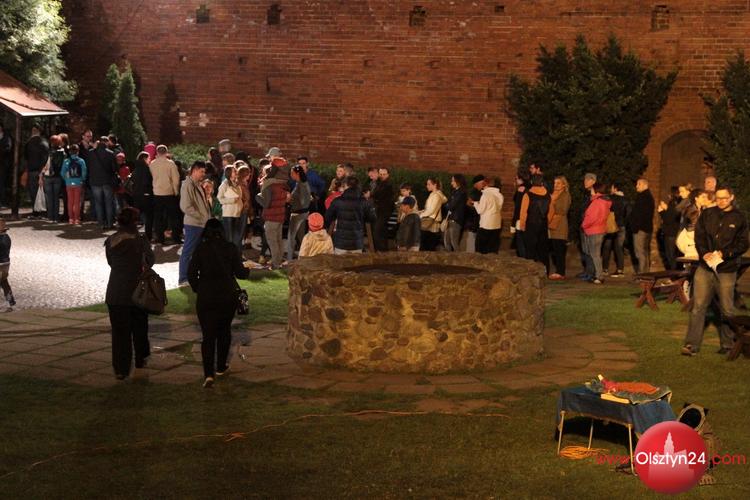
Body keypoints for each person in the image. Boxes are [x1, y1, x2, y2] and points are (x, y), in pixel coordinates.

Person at [682, 186, 749, 356]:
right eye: (718, 198)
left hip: (727, 269)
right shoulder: (707, 214)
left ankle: (728, 344)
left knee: (727, 309)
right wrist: (704, 252)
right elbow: (699, 236)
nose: (721, 201)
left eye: (724, 198)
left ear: (731, 197)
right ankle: (691, 345)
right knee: (698, 307)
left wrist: (725, 253)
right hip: (705, 267)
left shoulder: (739, 217)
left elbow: (743, 243)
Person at [188, 219, 250, 388]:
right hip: (226, 295)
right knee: (224, 331)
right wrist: (247, 269)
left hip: (206, 296)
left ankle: (208, 374)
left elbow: (191, 273)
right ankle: (221, 366)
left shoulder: (201, 249)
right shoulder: (230, 248)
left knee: (208, 336)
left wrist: (199, 288)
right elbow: (241, 273)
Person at [104, 207, 154, 380]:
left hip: (116, 292)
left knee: (119, 334)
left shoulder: (111, 240)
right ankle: (140, 359)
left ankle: (121, 369)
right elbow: (150, 261)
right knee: (140, 328)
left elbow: (111, 262)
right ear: (135, 222)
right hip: (137, 292)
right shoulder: (140, 240)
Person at [178, 161, 211, 285]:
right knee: (188, 252)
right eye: (202, 171)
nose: (203, 174)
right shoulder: (188, 185)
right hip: (194, 223)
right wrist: (202, 216)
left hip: (199, 223)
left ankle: (192, 276)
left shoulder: (196, 184)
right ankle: (183, 278)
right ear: (195, 170)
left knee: (197, 252)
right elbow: (185, 206)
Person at [324, 175, 375, 254]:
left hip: (340, 242)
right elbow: (372, 218)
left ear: (346, 186)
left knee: (339, 261)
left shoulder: (337, 201)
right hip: (357, 242)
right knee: (355, 261)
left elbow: (328, 217)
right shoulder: (364, 202)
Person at [255, 158, 289, 268]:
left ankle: (275, 264)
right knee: (278, 240)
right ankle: (278, 261)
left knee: (272, 241)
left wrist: (258, 197)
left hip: (271, 217)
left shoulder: (269, 185)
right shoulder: (283, 183)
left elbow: (266, 204)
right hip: (280, 215)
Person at [150, 145, 182, 244]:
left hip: (157, 193)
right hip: (169, 193)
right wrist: (176, 191)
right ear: (166, 152)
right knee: (173, 217)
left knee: (158, 217)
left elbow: (151, 177)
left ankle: (160, 238)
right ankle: (176, 238)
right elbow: (176, 179)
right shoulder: (171, 164)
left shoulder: (152, 164)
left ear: (157, 152)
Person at [581, 183, 612, 284]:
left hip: (593, 230)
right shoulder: (605, 201)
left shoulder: (597, 202)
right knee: (596, 254)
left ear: (596, 190)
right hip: (600, 229)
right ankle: (597, 274)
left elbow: (591, 217)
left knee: (595, 255)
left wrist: (584, 225)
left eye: (592, 189)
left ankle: (599, 276)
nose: (591, 191)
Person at [519, 174, 550, 272]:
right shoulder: (548, 195)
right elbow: (551, 210)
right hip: (543, 224)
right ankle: (546, 271)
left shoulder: (528, 194)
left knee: (530, 249)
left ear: (532, 182)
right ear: (542, 183)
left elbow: (523, 212)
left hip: (531, 224)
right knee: (543, 249)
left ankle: (530, 272)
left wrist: (522, 225)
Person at [87, 136, 118, 230]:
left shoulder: (91, 153)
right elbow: (114, 169)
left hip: (95, 181)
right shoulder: (111, 153)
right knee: (108, 203)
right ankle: (109, 223)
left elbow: (88, 167)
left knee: (98, 203)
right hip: (107, 181)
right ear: (106, 142)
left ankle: (101, 223)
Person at [469, 175, 503, 254]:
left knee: (480, 250)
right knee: (492, 250)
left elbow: (480, 210)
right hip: (496, 225)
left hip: (485, 225)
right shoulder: (500, 195)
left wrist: (475, 203)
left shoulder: (486, 195)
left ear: (486, 184)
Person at [629, 177, 655, 273]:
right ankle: (645, 273)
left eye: (639, 184)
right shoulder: (647, 196)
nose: (636, 186)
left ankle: (642, 274)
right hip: (646, 228)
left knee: (640, 252)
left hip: (641, 229)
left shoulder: (643, 197)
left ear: (645, 185)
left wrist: (635, 226)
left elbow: (640, 214)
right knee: (644, 251)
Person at [602, 182, 627, 277]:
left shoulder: (610, 198)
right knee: (619, 248)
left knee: (606, 247)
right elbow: (628, 212)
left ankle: (605, 269)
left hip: (611, 225)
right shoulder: (625, 199)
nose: (610, 190)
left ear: (615, 189)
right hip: (622, 225)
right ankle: (620, 270)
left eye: (612, 188)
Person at [547, 176, 571, 280]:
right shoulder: (553, 194)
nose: (556, 185)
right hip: (551, 224)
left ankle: (560, 272)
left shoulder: (565, 195)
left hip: (560, 225)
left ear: (564, 185)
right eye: (555, 183)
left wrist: (552, 203)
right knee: (554, 249)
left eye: (558, 183)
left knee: (559, 249)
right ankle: (557, 270)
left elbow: (563, 210)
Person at [24, 124, 49, 218]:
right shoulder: (44, 142)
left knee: (33, 192)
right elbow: (46, 157)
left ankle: (36, 212)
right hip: (42, 170)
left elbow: (25, 156)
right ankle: (44, 211)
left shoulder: (28, 143)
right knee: (43, 191)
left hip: (32, 170)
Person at [287, 164, 311, 261]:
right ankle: (304, 257)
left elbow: (303, 202)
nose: (291, 175)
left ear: (297, 174)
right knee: (301, 237)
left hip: (298, 214)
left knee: (291, 237)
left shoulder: (301, 185)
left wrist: (290, 199)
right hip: (303, 213)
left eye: (292, 173)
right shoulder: (302, 183)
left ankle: (289, 259)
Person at [60, 144, 87, 225]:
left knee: (70, 201)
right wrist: (82, 179)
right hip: (78, 183)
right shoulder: (81, 161)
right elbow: (84, 172)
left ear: (70, 152)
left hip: (69, 183)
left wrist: (67, 179)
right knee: (77, 201)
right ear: (78, 152)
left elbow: (62, 173)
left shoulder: (66, 161)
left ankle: (70, 218)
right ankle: (77, 219)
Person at [218, 165, 243, 251]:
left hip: (237, 214)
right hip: (228, 214)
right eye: (234, 171)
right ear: (229, 173)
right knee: (229, 237)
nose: (236, 172)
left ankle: (236, 254)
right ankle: (229, 254)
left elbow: (240, 197)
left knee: (236, 237)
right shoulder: (224, 185)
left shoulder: (236, 184)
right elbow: (220, 199)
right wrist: (232, 200)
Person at [419, 177, 447, 251]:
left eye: (429, 184)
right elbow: (429, 209)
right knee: (427, 246)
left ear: (435, 185)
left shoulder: (436, 196)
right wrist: (422, 211)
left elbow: (431, 210)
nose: (427, 186)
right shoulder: (433, 194)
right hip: (430, 224)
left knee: (427, 246)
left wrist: (421, 215)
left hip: (431, 224)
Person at [131, 152, 154, 241]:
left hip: (136, 195)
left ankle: (133, 235)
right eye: (149, 158)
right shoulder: (146, 169)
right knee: (149, 216)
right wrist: (148, 192)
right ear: (144, 159)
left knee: (137, 216)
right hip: (146, 195)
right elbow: (146, 182)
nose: (150, 160)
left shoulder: (135, 169)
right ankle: (148, 236)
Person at [658, 186, 682, 270]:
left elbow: (669, 219)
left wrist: (662, 211)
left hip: (671, 233)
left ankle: (674, 273)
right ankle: (673, 273)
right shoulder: (676, 204)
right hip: (672, 232)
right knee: (671, 255)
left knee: (671, 255)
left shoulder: (674, 204)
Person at [371, 167, 395, 251]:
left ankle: (380, 249)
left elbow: (377, 194)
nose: (382, 176)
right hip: (379, 210)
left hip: (385, 211)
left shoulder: (388, 185)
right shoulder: (379, 183)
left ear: (388, 175)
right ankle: (383, 249)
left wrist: (371, 195)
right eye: (380, 174)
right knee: (382, 230)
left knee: (377, 230)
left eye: (384, 174)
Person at [43, 135, 65, 223]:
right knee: (56, 197)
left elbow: (43, 164)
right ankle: (56, 217)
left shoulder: (47, 152)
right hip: (58, 176)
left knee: (49, 198)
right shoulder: (63, 152)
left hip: (48, 176)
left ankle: (50, 217)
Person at [444, 174, 467, 251]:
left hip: (456, 220)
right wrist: (448, 204)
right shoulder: (455, 192)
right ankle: (448, 257)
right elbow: (449, 203)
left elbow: (451, 205)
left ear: (458, 181)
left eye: (453, 181)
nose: (451, 183)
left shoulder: (461, 193)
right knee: (447, 241)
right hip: (450, 218)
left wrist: (448, 204)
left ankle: (458, 257)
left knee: (454, 242)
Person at [0, 219, 16, 310]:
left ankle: (11, 301)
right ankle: (11, 301)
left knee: (4, 282)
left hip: (1, 264)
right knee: (4, 282)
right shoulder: (6, 237)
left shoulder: (2, 239)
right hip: (5, 264)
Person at [511, 174, 528, 258]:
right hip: (527, 218)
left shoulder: (521, 189)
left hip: (520, 219)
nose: (515, 180)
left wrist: (513, 223)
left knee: (520, 243)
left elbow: (518, 207)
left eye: (516, 178)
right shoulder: (528, 187)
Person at [0, 124, 14, 207]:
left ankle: (3, 201)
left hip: (3, 164)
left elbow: (8, 148)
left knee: (2, 183)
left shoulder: (6, 137)